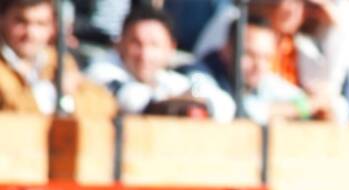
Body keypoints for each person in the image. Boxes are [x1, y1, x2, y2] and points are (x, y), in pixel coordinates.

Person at [86, 7, 225, 116]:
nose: (144, 54)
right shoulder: (100, 70)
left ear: (171, 48)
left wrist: (197, 102)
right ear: (120, 44)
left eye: (154, 45)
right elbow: (134, 100)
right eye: (136, 43)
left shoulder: (170, 78)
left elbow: (224, 106)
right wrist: (183, 105)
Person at [185, 16, 321, 123]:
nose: (259, 66)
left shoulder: (262, 79)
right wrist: (295, 109)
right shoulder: (198, 74)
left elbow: (319, 102)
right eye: (249, 55)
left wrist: (309, 104)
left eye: (266, 58)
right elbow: (227, 109)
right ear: (226, 50)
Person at [0, 0, 115, 114]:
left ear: (53, 27)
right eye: (21, 21)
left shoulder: (58, 60)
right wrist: (55, 91)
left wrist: (67, 102)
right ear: (2, 20)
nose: (30, 33)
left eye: (40, 23)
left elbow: (106, 105)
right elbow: (13, 110)